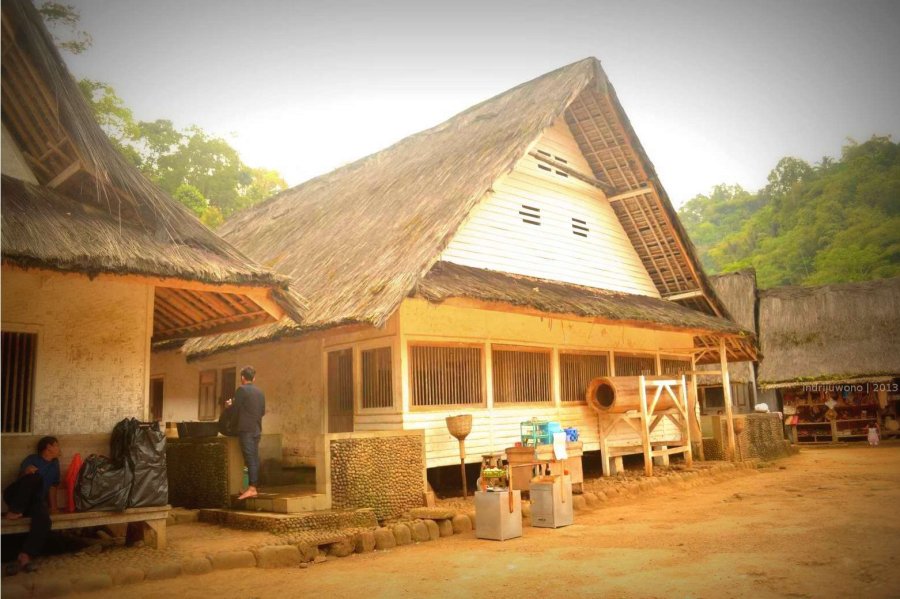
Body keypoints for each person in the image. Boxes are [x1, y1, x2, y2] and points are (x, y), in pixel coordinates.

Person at [3, 436, 61, 575]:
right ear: (48, 447)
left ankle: (25, 555)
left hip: (34, 502)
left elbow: (53, 487)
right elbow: (22, 475)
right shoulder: (32, 459)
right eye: (57, 446)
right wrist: (26, 471)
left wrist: (53, 507)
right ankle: (14, 511)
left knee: (44, 519)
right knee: (35, 477)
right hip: (15, 496)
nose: (59, 449)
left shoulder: (55, 464)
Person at [227, 366, 265, 500]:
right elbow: (262, 412)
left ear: (242, 378)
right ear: (254, 378)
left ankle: (252, 488)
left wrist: (230, 425)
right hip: (256, 428)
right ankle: (250, 487)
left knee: (249, 459)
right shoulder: (260, 392)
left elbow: (236, 410)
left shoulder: (241, 390)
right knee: (253, 457)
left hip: (246, 429)